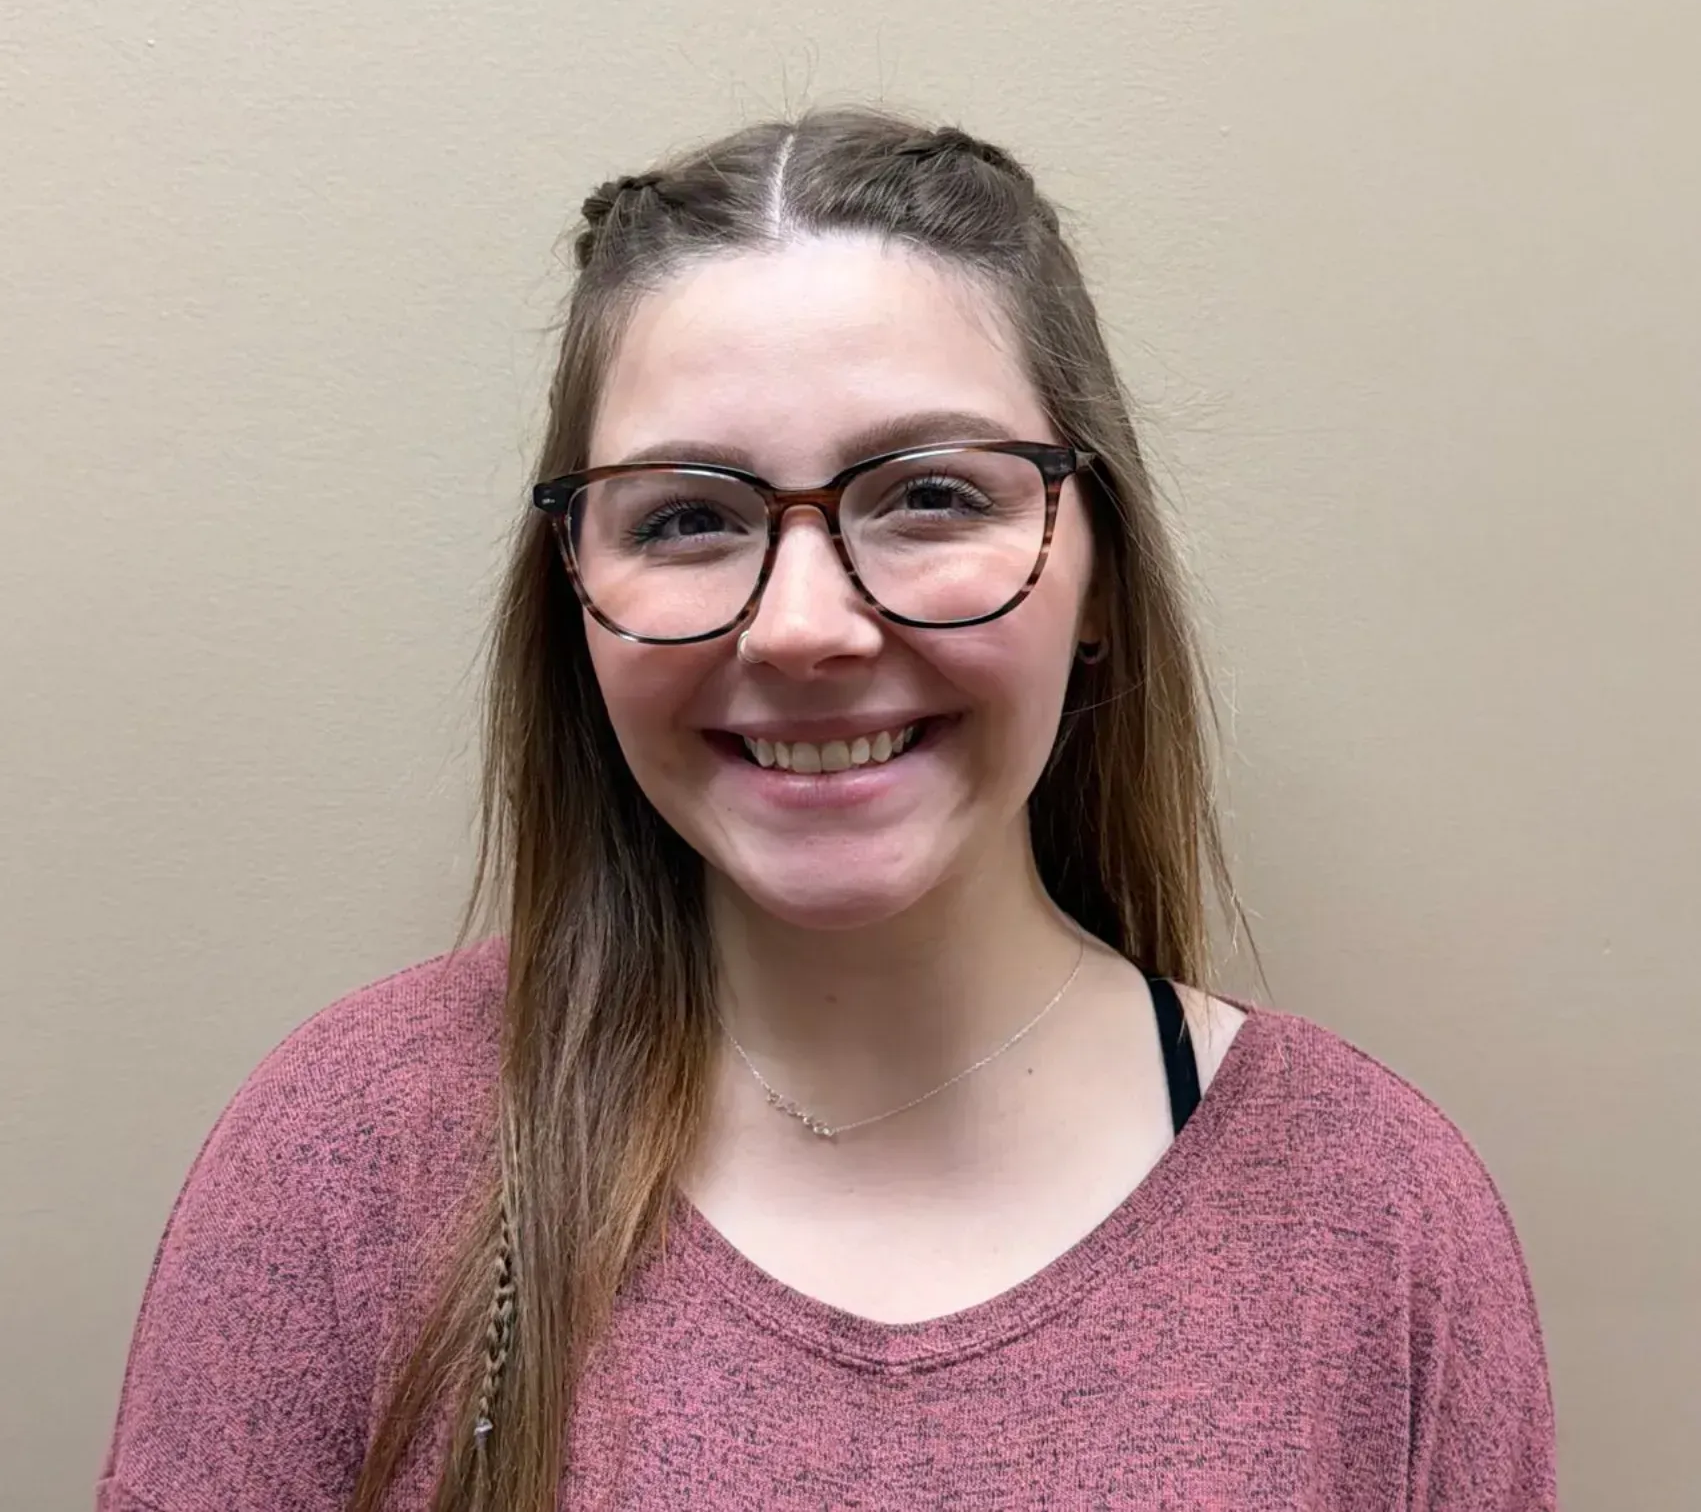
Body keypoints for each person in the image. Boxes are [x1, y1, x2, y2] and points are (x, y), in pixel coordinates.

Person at [98, 109, 1557, 1512]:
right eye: (687, 516)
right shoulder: (349, 1161)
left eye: (928, 494)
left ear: (1100, 570)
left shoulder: (1378, 1223)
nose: (803, 629)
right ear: (575, 599)